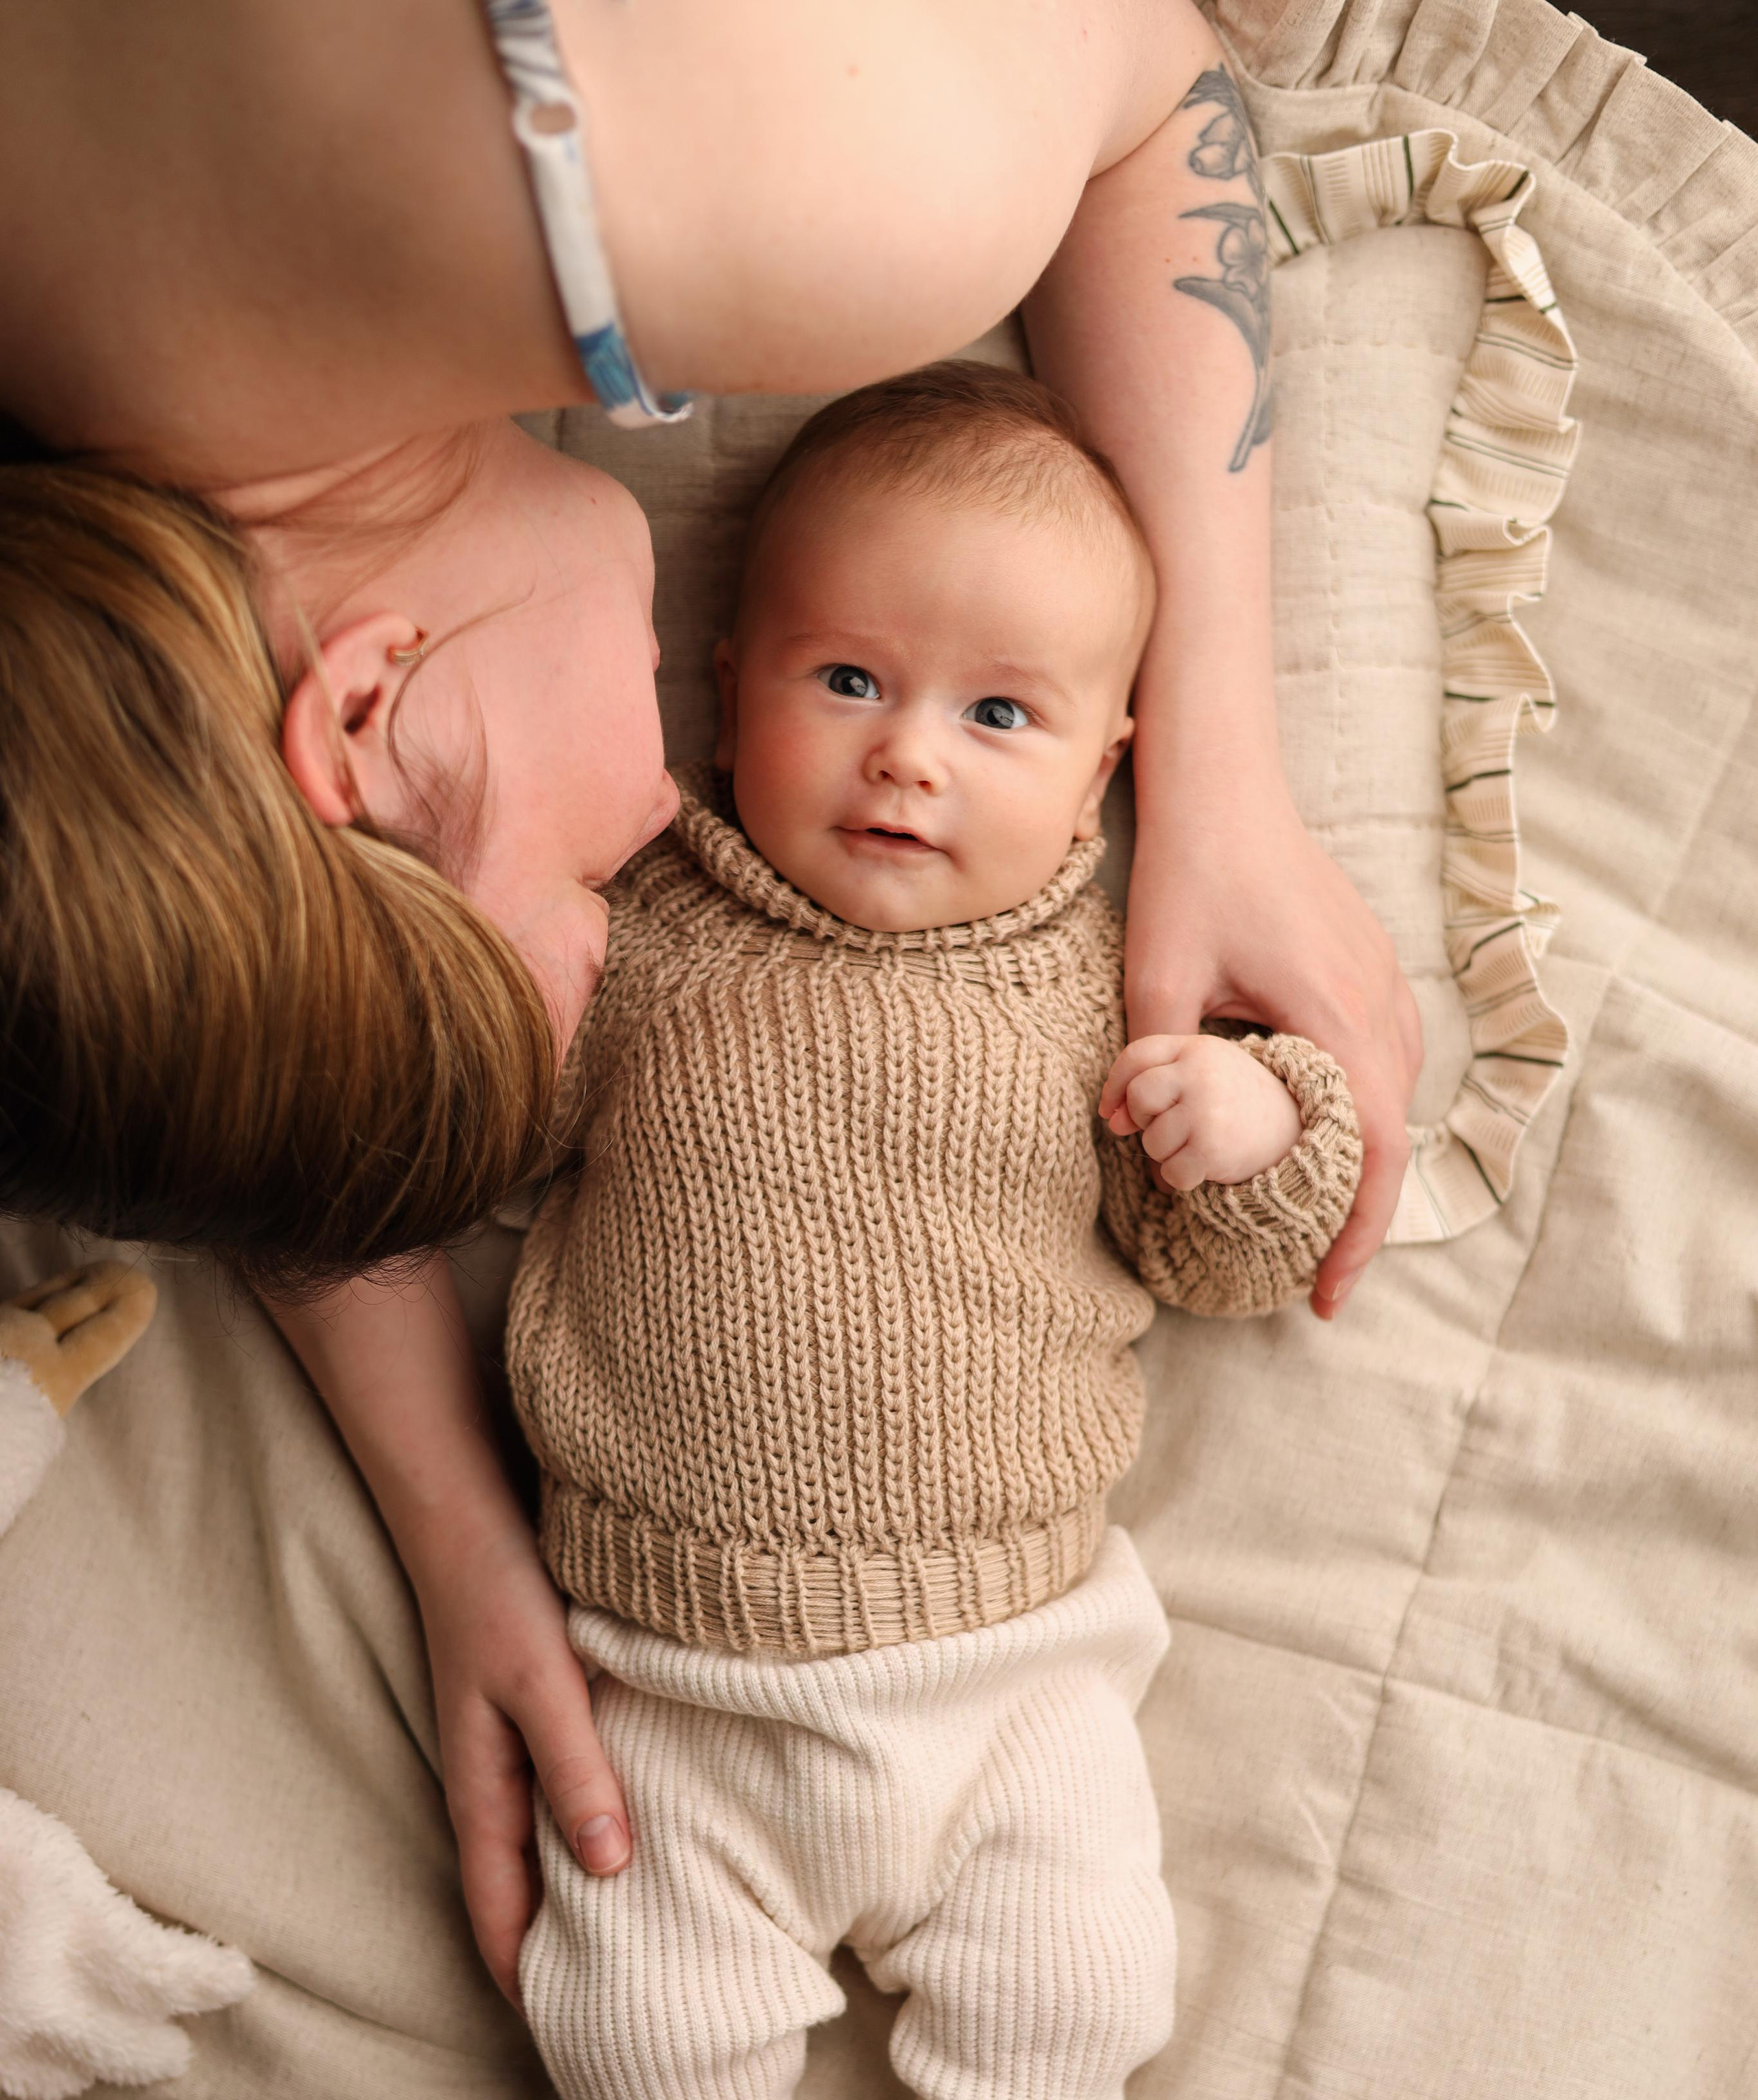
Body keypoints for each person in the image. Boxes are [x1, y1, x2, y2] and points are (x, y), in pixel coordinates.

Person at [0, 0, 1417, 1978]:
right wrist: (456, 1527)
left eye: (582, 895)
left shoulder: (812, 206)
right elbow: (242, 969)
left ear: (368, 712)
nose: (662, 831)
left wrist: (1221, 772)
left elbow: (1150, 69)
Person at [274, 364, 1363, 2100]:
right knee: (627, 2022)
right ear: (727, 677)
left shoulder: (1111, 992)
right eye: (847, 680)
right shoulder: (639, 932)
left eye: (999, 715)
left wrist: (1257, 1124)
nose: (905, 758)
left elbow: (1234, 1258)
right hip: (665, 1680)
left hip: (1011, 1679)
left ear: (1111, 764)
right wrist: (431, 917)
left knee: (1081, 1992)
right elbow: (449, 1119)